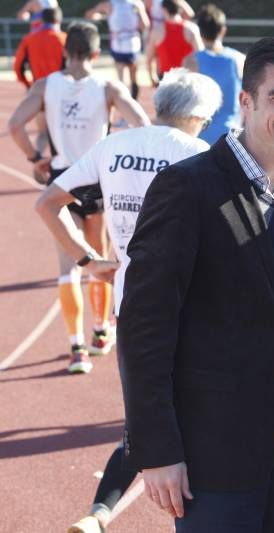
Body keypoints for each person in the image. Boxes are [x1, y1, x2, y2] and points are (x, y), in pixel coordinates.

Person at [117, 36, 274, 532]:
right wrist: (157, 449)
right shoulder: (187, 186)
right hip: (214, 454)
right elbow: (144, 324)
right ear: (246, 101)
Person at [33, 68, 220, 533]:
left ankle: (99, 513)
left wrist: (87, 260)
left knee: (148, 412)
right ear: (198, 115)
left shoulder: (114, 145)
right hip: (191, 305)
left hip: (131, 299)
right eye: (209, 118)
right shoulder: (200, 155)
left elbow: (47, 202)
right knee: (194, 411)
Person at [8, 20, 149, 374]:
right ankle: (102, 332)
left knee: (68, 266)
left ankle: (76, 348)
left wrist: (33, 158)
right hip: (99, 180)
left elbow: (14, 125)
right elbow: (143, 125)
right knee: (99, 257)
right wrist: (121, 152)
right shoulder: (107, 86)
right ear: (97, 53)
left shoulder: (45, 86)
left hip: (62, 179)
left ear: (64, 51)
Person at [13, 6, 65, 181]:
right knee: (65, 132)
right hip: (63, 93)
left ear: (41, 21)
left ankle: (39, 167)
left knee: (43, 133)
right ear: (58, 21)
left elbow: (18, 66)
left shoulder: (29, 39)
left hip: (39, 93)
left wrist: (28, 85)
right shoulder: (63, 39)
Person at [183, 3, 244, 144]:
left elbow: (183, 102)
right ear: (223, 30)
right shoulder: (240, 59)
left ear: (200, 31)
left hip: (200, 134)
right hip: (233, 134)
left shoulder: (190, 61)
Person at [85, 0, 150, 101]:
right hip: (132, 44)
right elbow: (145, 25)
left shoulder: (109, 5)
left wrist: (104, 16)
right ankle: (133, 102)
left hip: (119, 45)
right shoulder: (136, 4)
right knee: (133, 79)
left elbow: (89, 15)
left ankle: (125, 104)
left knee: (122, 79)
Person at [145, 0, 202, 86]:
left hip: (166, 79)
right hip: (188, 79)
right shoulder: (192, 29)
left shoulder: (157, 31)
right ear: (180, 9)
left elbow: (149, 58)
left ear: (164, 9)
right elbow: (201, 54)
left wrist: (152, 77)